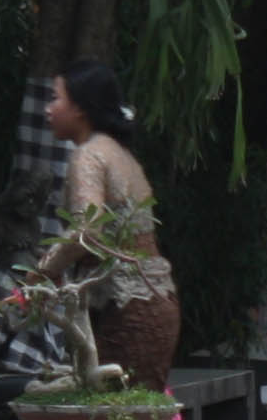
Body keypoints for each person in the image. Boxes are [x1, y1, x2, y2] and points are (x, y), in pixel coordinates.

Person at [34, 58, 180, 395]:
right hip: (153, 302)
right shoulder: (119, 152)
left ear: (81, 109)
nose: (48, 109)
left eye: (56, 98)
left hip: (127, 307)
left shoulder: (88, 156)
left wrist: (42, 271)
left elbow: (87, 232)